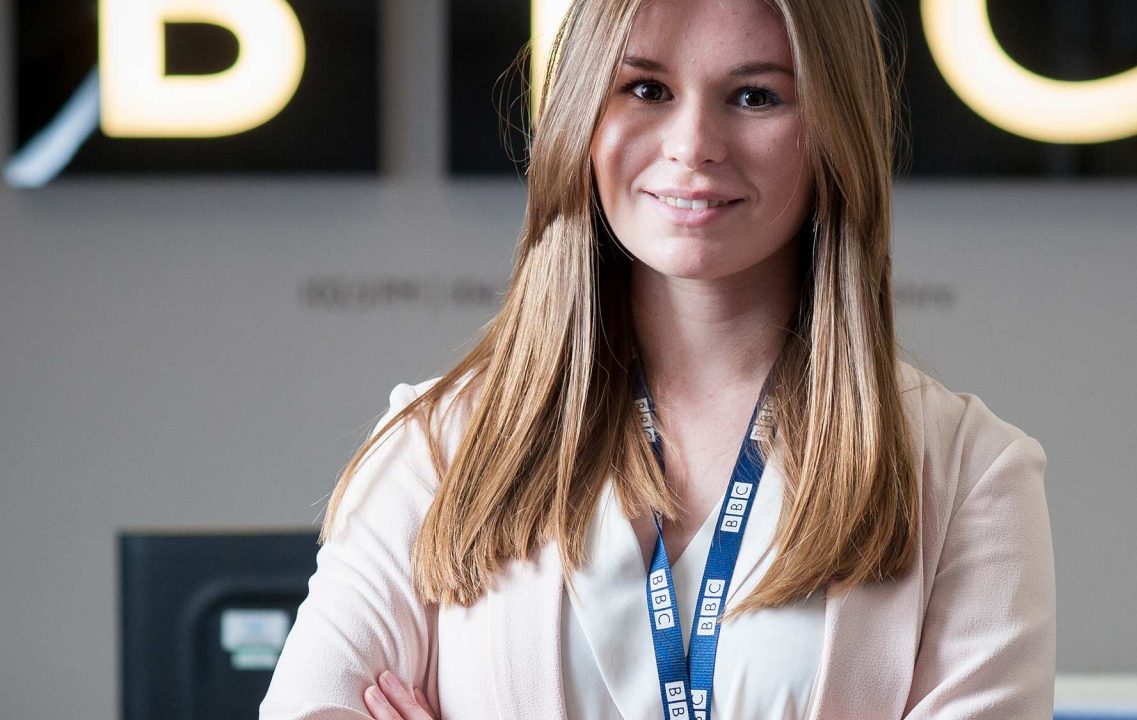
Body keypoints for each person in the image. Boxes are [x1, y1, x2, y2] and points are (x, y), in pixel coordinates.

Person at [260, 0, 1056, 717]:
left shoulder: (969, 473)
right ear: (581, 114)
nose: (693, 146)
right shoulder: (435, 444)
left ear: (833, 133)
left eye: (756, 96)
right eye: (646, 89)